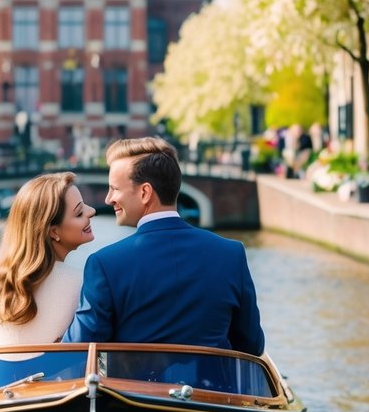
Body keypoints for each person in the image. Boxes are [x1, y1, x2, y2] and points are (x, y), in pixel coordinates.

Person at [62, 137, 264, 353]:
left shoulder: (104, 264)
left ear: (145, 193)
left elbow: (78, 348)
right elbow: (252, 345)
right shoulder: (231, 254)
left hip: (131, 387)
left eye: (114, 189)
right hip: (213, 387)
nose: (108, 199)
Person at [0, 172, 95, 348]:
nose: (92, 211)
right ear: (53, 232)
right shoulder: (82, 282)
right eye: (79, 212)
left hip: (7, 377)